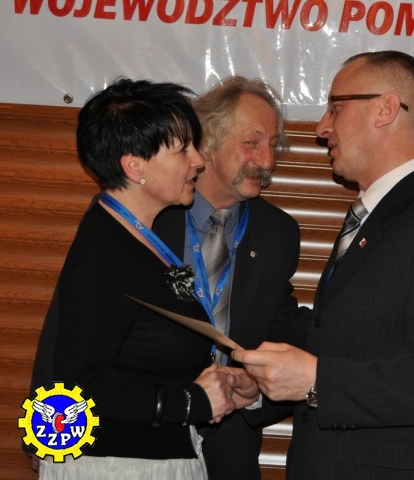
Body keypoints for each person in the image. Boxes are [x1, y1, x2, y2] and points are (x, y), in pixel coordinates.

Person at [233, 50, 414, 479]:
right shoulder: (373, 217)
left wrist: (317, 379)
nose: (322, 127)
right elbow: (349, 345)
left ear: (385, 109)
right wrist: (269, 384)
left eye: (335, 108)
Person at [34, 77, 259, 479]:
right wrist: (191, 402)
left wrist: (218, 384)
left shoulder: (136, 239)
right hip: (118, 467)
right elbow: (81, 383)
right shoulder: (107, 250)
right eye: (183, 149)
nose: (198, 160)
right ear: (134, 166)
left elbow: (142, 357)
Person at [153, 76, 309, 479]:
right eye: (252, 143)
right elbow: (79, 324)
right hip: (143, 437)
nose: (267, 162)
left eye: (272, 145)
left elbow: (276, 331)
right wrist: (48, 435)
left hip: (229, 451)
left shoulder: (277, 233)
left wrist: (255, 392)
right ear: (206, 142)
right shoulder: (148, 217)